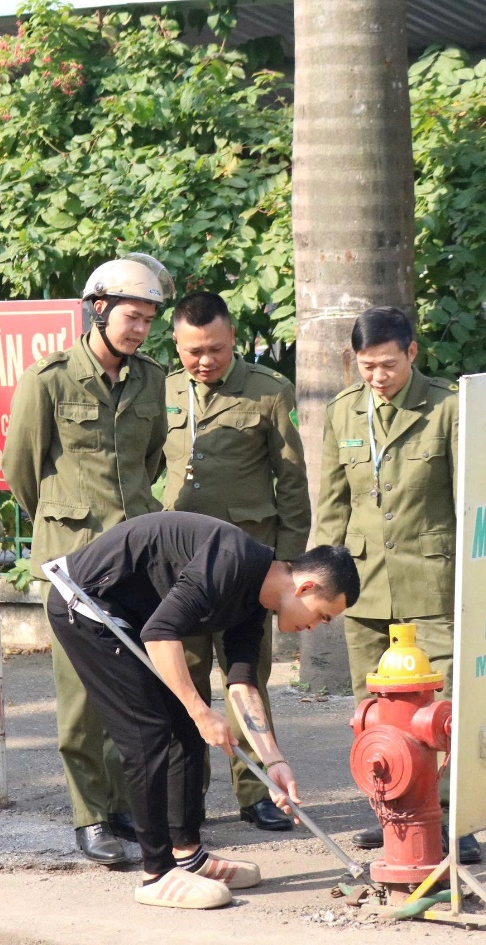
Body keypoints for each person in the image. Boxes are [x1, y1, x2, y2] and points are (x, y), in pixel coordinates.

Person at [42, 511, 360, 909]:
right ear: (306, 586)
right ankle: (156, 874)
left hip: (128, 613)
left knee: (186, 730)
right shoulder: (233, 560)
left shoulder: (255, 599)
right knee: (149, 732)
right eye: (322, 615)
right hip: (86, 601)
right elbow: (160, 634)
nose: (316, 627)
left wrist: (274, 761)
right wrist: (198, 710)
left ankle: (187, 855)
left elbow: (242, 684)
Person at [3, 254, 171, 865]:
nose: (139, 329)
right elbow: (22, 472)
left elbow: (150, 461)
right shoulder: (47, 380)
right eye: (131, 316)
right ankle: (90, 817)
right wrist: (66, 521)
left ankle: (129, 807)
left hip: (134, 557)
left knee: (139, 687)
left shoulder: (151, 380)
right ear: (98, 309)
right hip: (73, 565)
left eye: (149, 320)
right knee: (82, 696)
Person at [312, 306, 482, 864]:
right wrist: (322, 580)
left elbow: (467, 501)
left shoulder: (447, 409)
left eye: (387, 364)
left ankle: (454, 820)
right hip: (365, 584)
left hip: (428, 578)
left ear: (412, 353)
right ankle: (389, 811)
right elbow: (333, 505)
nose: (377, 376)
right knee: (373, 705)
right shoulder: (343, 414)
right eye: (366, 366)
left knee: (438, 708)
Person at [162, 292, 310, 833]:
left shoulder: (269, 391)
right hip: (182, 566)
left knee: (246, 676)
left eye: (217, 350)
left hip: (249, 565)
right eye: (194, 351)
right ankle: (190, 792)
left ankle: (257, 792)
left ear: (234, 341)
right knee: (187, 677)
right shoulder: (165, 389)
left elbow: (293, 482)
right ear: (176, 343)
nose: (205, 361)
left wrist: (287, 563)